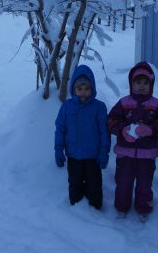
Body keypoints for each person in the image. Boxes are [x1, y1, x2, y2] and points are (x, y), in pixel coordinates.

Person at [107, 61, 158, 222]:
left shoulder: (156, 105)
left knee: (144, 183)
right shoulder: (124, 103)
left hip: (147, 155)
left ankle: (143, 207)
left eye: (145, 82)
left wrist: (151, 129)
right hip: (125, 153)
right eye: (137, 82)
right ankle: (122, 206)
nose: (141, 86)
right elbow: (111, 120)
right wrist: (122, 130)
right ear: (131, 83)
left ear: (151, 84)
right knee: (123, 181)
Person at [54, 64, 110, 210]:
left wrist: (104, 152)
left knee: (94, 185)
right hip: (73, 155)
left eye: (87, 88)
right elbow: (60, 129)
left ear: (92, 89)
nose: (83, 92)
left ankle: (95, 209)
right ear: (74, 89)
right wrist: (58, 150)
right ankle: (75, 210)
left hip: (93, 156)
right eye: (79, 89)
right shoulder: (67, 107)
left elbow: (104, 131)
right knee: (75, 184)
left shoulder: (99, 107)